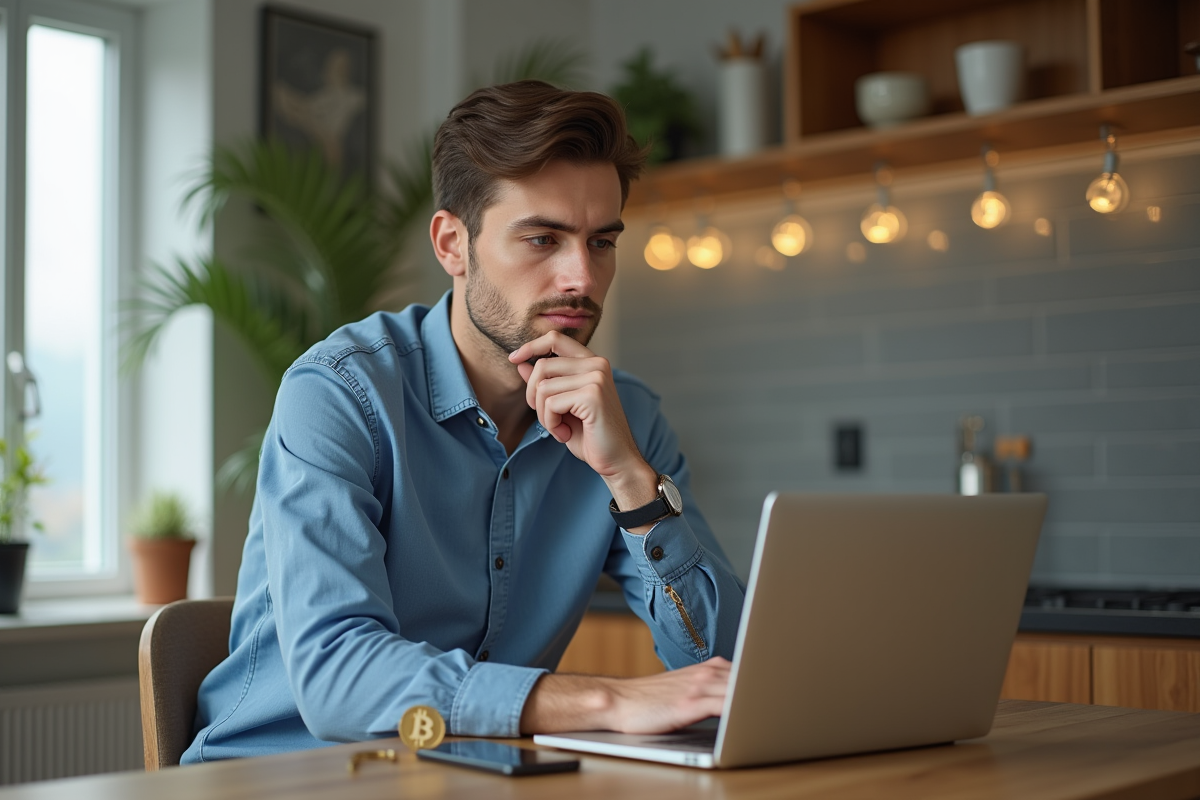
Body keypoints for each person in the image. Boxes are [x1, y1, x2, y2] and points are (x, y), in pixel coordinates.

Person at [182, 81, 745, 763]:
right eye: (542, 238)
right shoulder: (339, 393)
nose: (581, 277)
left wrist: (629, 479)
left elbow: (723, 670)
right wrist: (608, 700)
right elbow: (337, 678)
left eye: (601, 242)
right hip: (279, 774)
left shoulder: (626, 418)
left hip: (464, 772)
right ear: (453, 244)